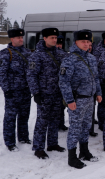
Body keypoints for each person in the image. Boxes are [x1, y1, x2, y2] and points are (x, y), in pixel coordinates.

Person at [59, 30, 102, 169]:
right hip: (77, 100)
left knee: (86, 127)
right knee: (75, 129)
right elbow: (63, 82)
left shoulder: (91, 58)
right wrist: (70, 100)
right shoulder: (69, 59)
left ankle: (84, 152)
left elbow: (96, 78)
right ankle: (72, 157)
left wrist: (98, 93)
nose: (86, 44)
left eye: (88, 41)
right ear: (76, 42)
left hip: (90, 99)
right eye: (83, 41)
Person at [27, 28, 67, 159]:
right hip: (44, 94)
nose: (54, 40)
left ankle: (52, 143)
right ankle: (38, 147)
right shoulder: (37, 55)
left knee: (55, 120)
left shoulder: (60, 53)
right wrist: (36, 92)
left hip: (57, 93)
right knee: (42, 122)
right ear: (44, 38)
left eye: (56, 38)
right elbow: (31, 75)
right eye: (52, 38)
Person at [0, 29, 32, 151]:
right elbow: (0, 73)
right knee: (10, 117)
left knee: (24, 115)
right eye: (18, 38)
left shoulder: (27, 52)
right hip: (13, 91)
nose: (21, 39)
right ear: (12, 39)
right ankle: (10, 142)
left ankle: (23, 137)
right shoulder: (6, 53)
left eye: (22, 37)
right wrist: (7, 89)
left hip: (26, 90)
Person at [91, 31, 105, 134]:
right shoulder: (99, 51)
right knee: (102, 104)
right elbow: (97, 68)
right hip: (102, 82)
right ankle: (101, 123)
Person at [56, 35, 68, 131]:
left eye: (60, 44)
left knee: (62, 106)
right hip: (53, 86)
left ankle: (61, 124)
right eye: (57, 44)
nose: (59, 46)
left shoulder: (64, 54)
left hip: (62, 85)